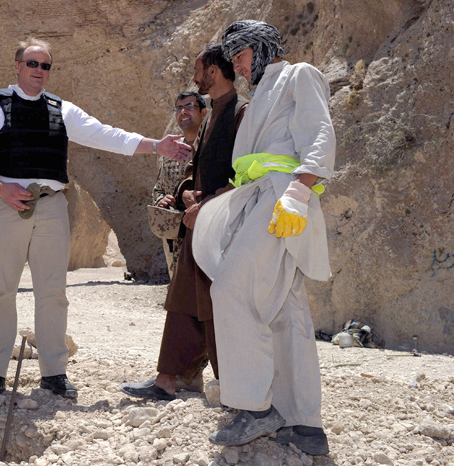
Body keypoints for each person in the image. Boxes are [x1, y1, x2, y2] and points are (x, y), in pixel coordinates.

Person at [0, 37, 191, 398]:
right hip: (4, 205)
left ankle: (54, 373)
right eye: (32, 63)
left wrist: (155, 145)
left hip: (51, 206)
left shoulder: (62, 110)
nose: (39, 71)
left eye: (45, 66)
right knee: (1, 291)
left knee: (53, 292)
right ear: (17, 66)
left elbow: (105, 135)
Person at [191, 20, 335, 455]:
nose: (237, 65)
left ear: (264, 46)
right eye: (232, 59)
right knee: (286, 316)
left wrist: (297, 192)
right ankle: (304, 424)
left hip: (282, 200)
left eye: (241, 55)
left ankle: (255, 409)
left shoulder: (298, 74)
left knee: (232, 287)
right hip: (259, 198)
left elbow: (321, 134)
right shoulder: (258, 98)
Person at [121, 44, 247, 400]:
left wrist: (208, 203)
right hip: (199, 222)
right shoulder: (214, 116)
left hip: (221, 225)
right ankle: (167, 379)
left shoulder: (240, 112)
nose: (194, 78)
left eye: (199, 71)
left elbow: (245, 175)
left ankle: (233, 385)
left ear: (213, 72)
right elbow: (197, 169)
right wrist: (186, 192)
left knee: (213, 305)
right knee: (181, 302)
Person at [151, 92, 207, 277]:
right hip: (176, 236)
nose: (183, 112)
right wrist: (161, 200)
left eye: (189, 107)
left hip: (207, 229)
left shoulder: (212, 146)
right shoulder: (171, 151)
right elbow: (158, 188)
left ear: (204, 113)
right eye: (179, 108)